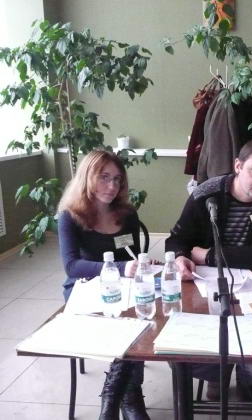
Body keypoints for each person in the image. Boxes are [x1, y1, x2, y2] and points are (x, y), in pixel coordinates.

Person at [165, 136, 252, 400]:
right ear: (238, 166)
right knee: (188, 333)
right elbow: (176, 239)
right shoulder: (206, 194)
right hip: (205, 283)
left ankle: (247, 376)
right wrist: (180, 257)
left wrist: (209, 255)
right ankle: (216, 373)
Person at [58, 150, 149, 420]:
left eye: (117, 179)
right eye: (104, 177)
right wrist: (120, 268)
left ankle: (118, 396)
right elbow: (72, 266)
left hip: (123, 286)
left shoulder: (127, 215)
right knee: (125, 322)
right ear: (88, 177)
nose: (112, 186)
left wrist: (141, 263)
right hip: (85, 287)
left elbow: (131, 255)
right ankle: (127, 397)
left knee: (143, 314)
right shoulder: (70, 216)